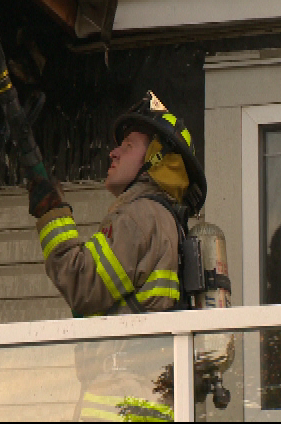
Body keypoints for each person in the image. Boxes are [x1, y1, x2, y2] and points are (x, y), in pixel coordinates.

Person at [26, 91, 207, 422]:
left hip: (121, 401)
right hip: (142, 401)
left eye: (128, 145)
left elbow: (81, 282)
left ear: (156, 159)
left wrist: (51, 214)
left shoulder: (140, 216)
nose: (113, 152)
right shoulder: (166, 220)